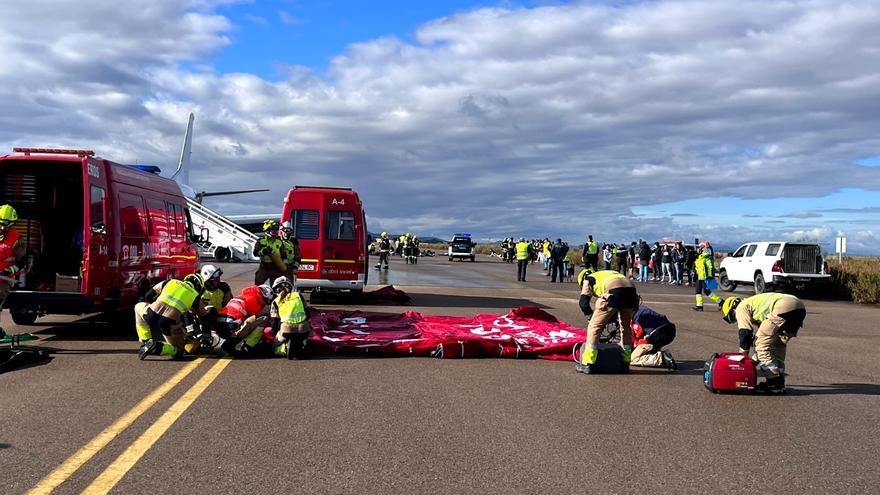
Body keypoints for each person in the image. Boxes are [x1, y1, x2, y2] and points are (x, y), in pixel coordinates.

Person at [721, 293, 806, 393]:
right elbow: (768, 339)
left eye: (732, 318)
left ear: (732, 310)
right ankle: (779, 382)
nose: (736, 320)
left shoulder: (741, 307)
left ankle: (774, 381)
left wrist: (742, 357)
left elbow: (745, 333)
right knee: (777, 345)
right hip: (799, 307)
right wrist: (753, 361)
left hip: (783, 306)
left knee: (761, 345)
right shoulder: (755, 306)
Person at [574, 269, 638, 374]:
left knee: (594, 327)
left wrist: (591, 318)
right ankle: (625, 363)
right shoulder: (605, 273)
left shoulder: (588, 279)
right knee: (625, 327)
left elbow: (583, 304)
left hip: (614, 292)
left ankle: (587, 363)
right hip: (631, 291)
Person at [138, 273, 205, 360]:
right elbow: (203, 315)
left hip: (151, 314)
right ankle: (159, 347)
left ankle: (146, 340)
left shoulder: (170, 281)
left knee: (138, 307)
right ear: (199, 287)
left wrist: (156, 303)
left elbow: (148, 296)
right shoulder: (195, 295)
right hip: (168, 323)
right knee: (178, 352)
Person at [217, 283, 275, 357]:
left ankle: (229, 342)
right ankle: (247, 345)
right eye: (267, 301)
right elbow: (252, 321)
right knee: (264, 319)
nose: (266, 304)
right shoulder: (255, 301)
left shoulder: (243, 296)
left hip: (219, 325)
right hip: (231, 329)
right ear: (264, 296)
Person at [269, 276, 312, 359]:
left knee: (275, 345)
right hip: (303, 329)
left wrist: (277, 333)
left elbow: (274, 322)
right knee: (308, 336)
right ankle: (304, 345)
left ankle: (284, 349)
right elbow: (307, 314)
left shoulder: (275, 301)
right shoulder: (298, 295)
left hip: (286, 330)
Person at [0, 205, 26, 339]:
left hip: (4, 280)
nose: (2, 227)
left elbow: (23, 261)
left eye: (5, 224)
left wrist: (10, 270)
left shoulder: (17, 239)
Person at [253, 219, 287, 285]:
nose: (275, 231)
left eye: (276, 229)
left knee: (276, 286)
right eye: (273, 229)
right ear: (267, 230)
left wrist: (284, 267)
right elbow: (255, 253)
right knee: (258, 285)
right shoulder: (261, 241)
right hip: (264, 267)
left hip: (275, 267)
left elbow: (284, 255)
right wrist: (263, 252)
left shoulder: (280, 242)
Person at [693, 245, 723, 311]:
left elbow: (710, 268)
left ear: (703, 250)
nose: (698, 250)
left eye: (700, 249)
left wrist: (709, 277)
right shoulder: (698, 258)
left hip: (705, 278)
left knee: (707, 292)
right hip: (699, 278)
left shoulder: (707, 258)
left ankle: (720, 301)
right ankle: (699, 307)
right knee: (698, 292)